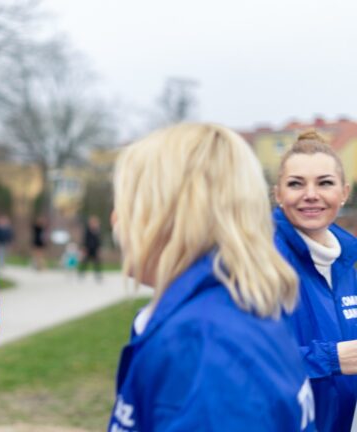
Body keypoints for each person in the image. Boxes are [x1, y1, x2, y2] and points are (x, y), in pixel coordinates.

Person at [108, 123, 315, 431]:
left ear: (172, 218)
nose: (115, 219)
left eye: (127, 205)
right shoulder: (231, 311)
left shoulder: (202, 346)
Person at [273, 130, 357, 431]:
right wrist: (331, 359)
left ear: (344, 193)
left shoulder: (346, 265)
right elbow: (240, 363)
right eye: (296, 184)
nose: (311, 194)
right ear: (278, 194)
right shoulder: (262, 263)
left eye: (325, 183)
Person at [78, 215, 102, 280]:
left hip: (94, 249)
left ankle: (98, 275)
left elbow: (98, 241)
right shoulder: (87, 231)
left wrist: (98, 249)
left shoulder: (97, 231)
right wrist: (84, 248)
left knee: (96, 262)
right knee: (85, 262)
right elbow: (84, 240)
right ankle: (81, 274)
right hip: (88, 249)